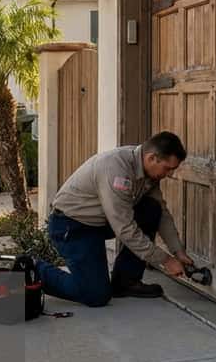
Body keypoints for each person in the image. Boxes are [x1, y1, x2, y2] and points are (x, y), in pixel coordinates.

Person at [35, 131, 195, 306]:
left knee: (151, 209)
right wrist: (165, 260)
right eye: (168, 168)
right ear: (151, 158)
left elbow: (162, 213)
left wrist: (178, 251)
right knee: (96, 295)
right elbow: (125, 228)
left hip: (99, 223)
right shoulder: (116, 169)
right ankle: (33, 269)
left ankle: (126, 282)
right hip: (72, 227)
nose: (169, 174)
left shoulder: (148, 172)